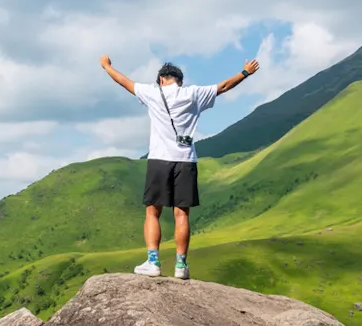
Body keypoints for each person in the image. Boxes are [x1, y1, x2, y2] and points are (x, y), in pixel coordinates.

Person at [99, 55, 260, 279]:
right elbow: (223, 87)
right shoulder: (192, 93)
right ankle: (181, 266)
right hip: (185, 159)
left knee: (152, 211)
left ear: (161, 80)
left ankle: (153, 262)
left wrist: (107, 67)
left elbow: (124, 82)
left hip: (159, 159)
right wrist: (245, 73)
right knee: (181, 213)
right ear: (180, 81)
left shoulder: (153, 93)